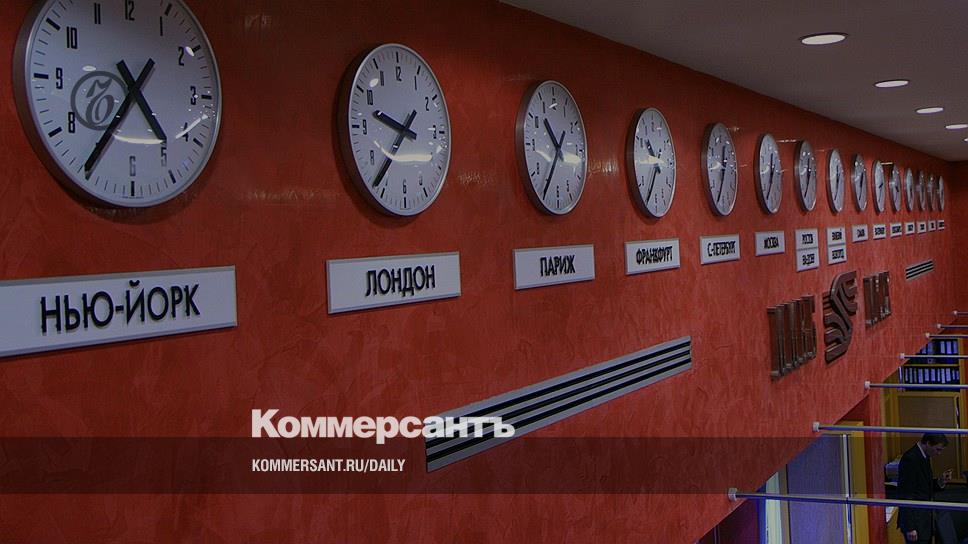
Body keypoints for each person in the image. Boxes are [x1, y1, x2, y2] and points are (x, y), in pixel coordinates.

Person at [897, 433, 953, 543]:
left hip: (923, 520)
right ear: (928, 443)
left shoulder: (924, 456)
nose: (939, 453)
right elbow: (905, 494)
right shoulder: (911, 459)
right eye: (938, 449)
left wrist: (941, 481)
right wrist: (910, 527)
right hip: (915, 523)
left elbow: (923, 486)